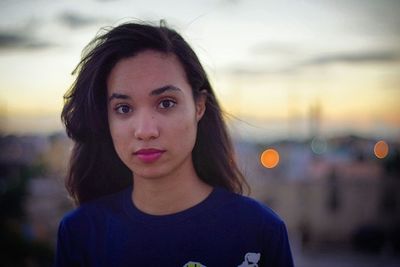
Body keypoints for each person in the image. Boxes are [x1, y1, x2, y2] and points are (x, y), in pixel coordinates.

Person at [55, 21, 294, 267]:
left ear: (199, 106)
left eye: (166, 103)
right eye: (123, 108)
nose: (145, 131)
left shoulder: (259, 231)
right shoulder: (81, 234)